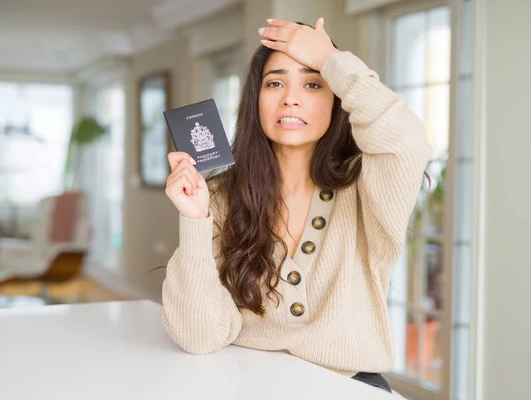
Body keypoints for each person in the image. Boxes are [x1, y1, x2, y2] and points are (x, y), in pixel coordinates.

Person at [161, 17, 432, 393]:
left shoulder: (366, 184)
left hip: (349, 388)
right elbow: (199, 336)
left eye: (313, 83)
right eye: (275, 83)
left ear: (336, 98)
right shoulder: (221, 196)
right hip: (248, 384)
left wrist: (332, 58)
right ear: (255, 100)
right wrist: (195, 219)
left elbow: (406, 139)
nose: (291, 97)